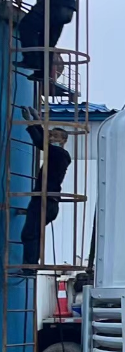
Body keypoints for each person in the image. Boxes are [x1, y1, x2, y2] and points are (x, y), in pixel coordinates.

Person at [19, 106, 70, 273]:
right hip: (47, 201)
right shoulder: (56, 153)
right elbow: (43, 141)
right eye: (51, 135)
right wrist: (37, 121)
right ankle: (30, 266)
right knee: (33, 233)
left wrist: (31, 122)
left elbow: (41, 142)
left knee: (30, 233)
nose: (51, 138)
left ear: (63, 141)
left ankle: (30, 267)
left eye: (56, 136)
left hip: (45, 201)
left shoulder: (60, 154)